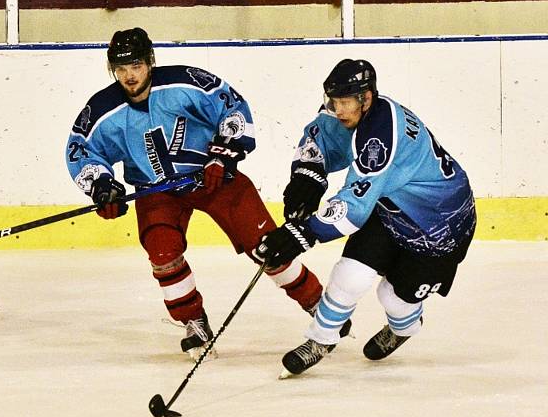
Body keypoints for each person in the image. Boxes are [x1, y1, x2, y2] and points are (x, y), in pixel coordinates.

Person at [65, 27, 345, 359]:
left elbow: (233, 107)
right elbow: (81, 149)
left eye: (136, 66)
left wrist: (223, 152)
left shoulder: (186, 83)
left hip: (212, 179)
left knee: (269, 248)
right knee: (162, 251)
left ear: (150, 62)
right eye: (121, 68)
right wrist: (101, 186)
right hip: (156, 190)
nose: (129, 76)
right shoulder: (102, 110)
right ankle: (193, 321)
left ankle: (317, 304)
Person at [257, 58, 476, 378]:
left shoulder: (380, 138)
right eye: (334, 101)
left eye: (345, 102)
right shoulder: (354, 112)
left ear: (366, 98)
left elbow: (354, 208)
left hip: (441, 226)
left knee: (393, 298)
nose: (338, 109)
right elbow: (320, 135)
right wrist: (307, 176)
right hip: (391, 211)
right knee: (350, 275)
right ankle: (321, 339)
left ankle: (405, 327)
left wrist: (300, 234)